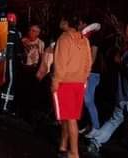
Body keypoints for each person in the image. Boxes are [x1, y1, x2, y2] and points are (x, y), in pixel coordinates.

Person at [87, 21, 128, 158]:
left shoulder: (126, 55)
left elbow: (117, 60)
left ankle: (95, 142)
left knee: (114, 121)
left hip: (122, 98)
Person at [53, 15, 92, 158]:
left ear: (67, 22)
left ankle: (74, 153)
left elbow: (60, 64)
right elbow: (89, 63)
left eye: (62, 20)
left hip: (65, 82)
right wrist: (83, 77)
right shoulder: (84, 40)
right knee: (69, 116)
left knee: (70, 118)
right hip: (80, 83)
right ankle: (63, 145)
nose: (60, 22)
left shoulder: (64, 39)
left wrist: (55, 81)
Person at [80, 21, 103, 134]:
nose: (79, 25)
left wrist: (87, 71)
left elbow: (93, 55)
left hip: (92, 73)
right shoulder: (85, 36)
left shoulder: (94, 37)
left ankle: (96, 127)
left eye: (81, 23)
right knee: (85, 100)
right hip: (88, 72)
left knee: (88, 100)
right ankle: (89, 125)